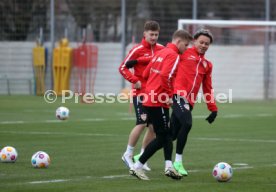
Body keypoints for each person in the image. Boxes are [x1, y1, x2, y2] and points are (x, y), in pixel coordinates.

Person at [129, 29, 193, 180]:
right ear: (178, 42)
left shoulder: (160, 52)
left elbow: (145, 74)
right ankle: (138, 166)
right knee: (164, 136)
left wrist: (151, 86)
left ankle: (168, 167)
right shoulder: (174, 55)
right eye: (186, 44)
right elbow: (166, 75)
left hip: (148, 99)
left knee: (165, 135)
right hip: (158, 101)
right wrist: (169, 96)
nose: (186, 48)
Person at [171, 29, 218, 176]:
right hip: (177, 96)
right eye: (201, 42)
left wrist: (213, 108)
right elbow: (167, 62)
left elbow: (207, 88)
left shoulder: (207, 65)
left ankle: (140, 157)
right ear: (194, 41)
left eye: (207, 44)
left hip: (189, 102)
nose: (203, 45)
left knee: (170, 135)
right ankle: (178, 162)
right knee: (188, 123)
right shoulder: (183, 53)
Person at [119, 20, 164, 171]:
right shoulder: (137, 49)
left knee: (152, 127)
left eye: (156, 34)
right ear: (144, 34)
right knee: (142, 122)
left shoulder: (161, 49)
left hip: (155, 95)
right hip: (140, 93)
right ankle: (128, 154)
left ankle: (142, 157)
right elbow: (123, 68)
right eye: (151, 34)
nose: (154, 37)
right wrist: (134, 80)